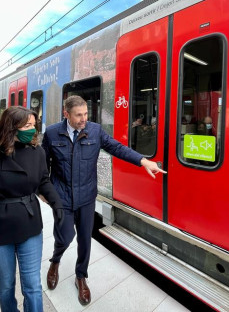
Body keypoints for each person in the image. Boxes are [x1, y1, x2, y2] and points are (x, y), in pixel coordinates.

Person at [41, 95, 166, 306]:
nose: (83, 119)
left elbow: (117, 148)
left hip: (87, 196)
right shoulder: (53, 133)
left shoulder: (95, 130)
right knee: (64, 236)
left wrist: (143, 161)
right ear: (66, 114)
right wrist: (42, 190)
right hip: (61, 196)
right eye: (78, 115)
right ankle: (55, 261)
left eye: (86, 113)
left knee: (85, 239)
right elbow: (43, 164)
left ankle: (81, 277)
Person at [0, 106, 63, 312]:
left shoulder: (38, 153)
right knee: (6, 285)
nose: (32, 131)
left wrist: (57, 204)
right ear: (11, 127)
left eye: (34, 126)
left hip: (29, 225)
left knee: (33, 286)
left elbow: (43, 181)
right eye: (27, 126)